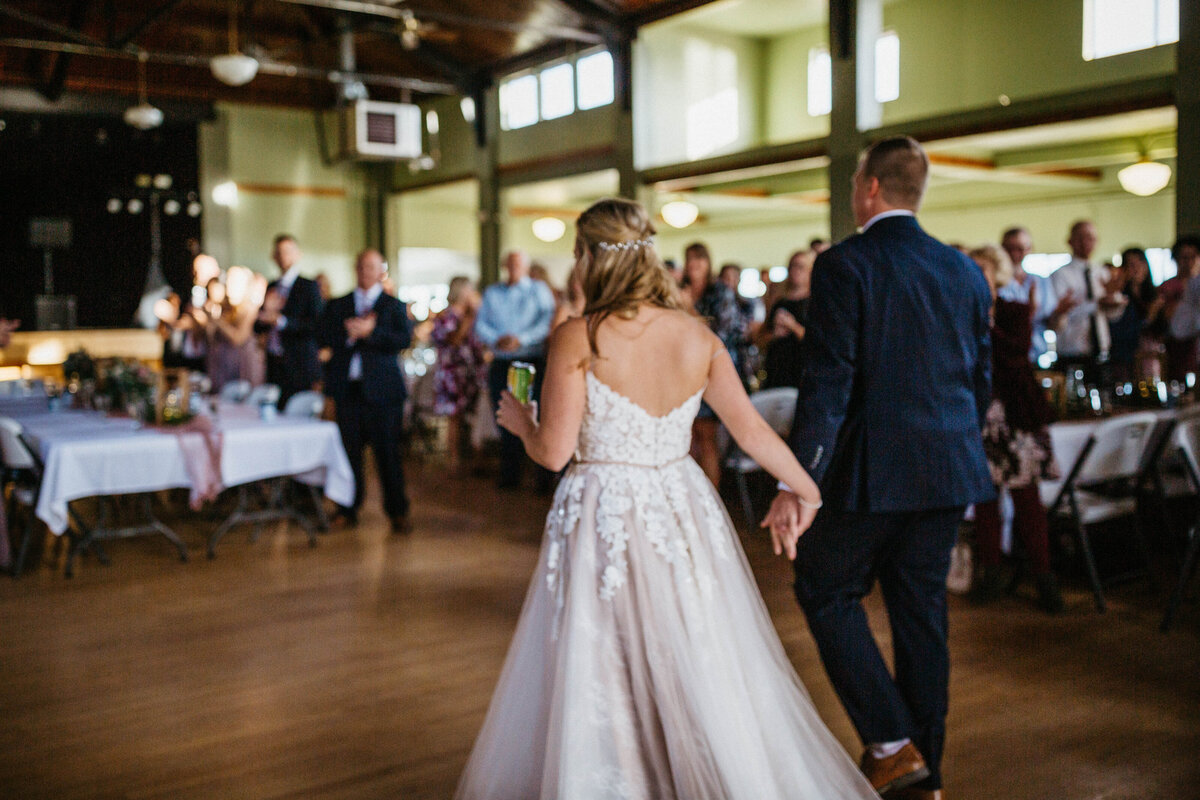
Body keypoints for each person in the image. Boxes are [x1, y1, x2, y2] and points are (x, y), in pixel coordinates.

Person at [455, 197, 878, 800]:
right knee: (692, 644)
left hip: (604, 507)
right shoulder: (697, 336)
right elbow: (752, 429)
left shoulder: (579, 335)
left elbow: (552, 453)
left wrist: (521, 422)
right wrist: (806, 488)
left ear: (590, 260)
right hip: (678, 505)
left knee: (606, 654)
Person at [764, 137, 994, 800]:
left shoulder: (846, 264)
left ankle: (894, 747)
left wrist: (798, 481)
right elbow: (977, 382)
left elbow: (828, 383)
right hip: (948, 468)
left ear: (868, 188)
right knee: (922, 615)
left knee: (825, 588)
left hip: (873, 473)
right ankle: (928, 773)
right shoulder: (963, 270)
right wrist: (950, 439)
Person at [968, 244, 1063, 614]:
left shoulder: (1014, 310)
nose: (976, 276)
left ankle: (1044, 577)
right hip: (979, 417)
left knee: (1028, 501)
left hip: (1015, 415)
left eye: (983, 270)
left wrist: (986, 323)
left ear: (997, 275)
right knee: (985, 501)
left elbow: (1017, 351)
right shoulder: (959, 316)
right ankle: (991, 572)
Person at [318, 249, 413, 533]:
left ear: (379, 270)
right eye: (361, 266)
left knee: (388, 454)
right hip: (349, 390)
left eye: (371, 267)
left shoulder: (393, 306)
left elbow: (403, 339)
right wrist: (349, 333)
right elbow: (322, 337)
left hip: (383, 392)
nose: (365, 272)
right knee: (349, 454)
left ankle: (398, 511)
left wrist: (371, 333)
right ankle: (347, 508)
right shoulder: (339, 304)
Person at [474, 250, 557, 491]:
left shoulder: (538, 291)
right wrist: (498, 339)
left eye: (518, 264)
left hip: (531, 358)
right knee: (505, 414)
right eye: (510, 263)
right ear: (504, 265)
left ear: (526, 266)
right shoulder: (492, 293)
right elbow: (480, 325)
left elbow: (546, 321)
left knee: (537, 414)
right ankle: (510, 474)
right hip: (502, 361)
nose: (513, 268)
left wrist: (520, 339)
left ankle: (543, 477)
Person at [680, 242, 744, 485]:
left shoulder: (720, 292)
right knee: (686, 437)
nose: (694, 264)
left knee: (706, 436)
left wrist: (688, 309)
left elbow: (720, 336)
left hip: (710, 371)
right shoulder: (680, 289)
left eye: (699, 259)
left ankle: (710, 496)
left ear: (708, 262)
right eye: (690, 258)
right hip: (683, 371)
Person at [1049, 220, 1126, 383]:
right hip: (1073, 351)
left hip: (1101, 351)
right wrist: (1096, 304)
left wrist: (1115, 301)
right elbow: (1062, 315)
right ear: (1070, 241)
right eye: (1081, 238)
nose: (1086, 243)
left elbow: (1113, 315)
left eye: (1090, 238)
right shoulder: (1061, 275)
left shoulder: (1102, 272)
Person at [255, 234, 323, 407]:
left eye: (287, 251)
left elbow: (316, 325)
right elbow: (257, 327)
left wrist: (282, 321)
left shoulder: (308, 286)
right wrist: (265, 313)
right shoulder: (272, 286)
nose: (283, 256)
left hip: (298, 363)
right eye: (279, 252)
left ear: (297, 254)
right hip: (274, 362)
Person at [431, 276, 486, 473]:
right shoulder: (446, 316)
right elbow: (452, 340)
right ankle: (454, 459)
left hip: (472, 373)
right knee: (454, 417)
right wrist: (469, 319)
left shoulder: (475, 315)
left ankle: (473, 459)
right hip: (452, 373)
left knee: (473, 416)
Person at [999, 226, 1062, 365]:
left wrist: (1061, 312)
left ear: (1029, 249)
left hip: (1038, 355)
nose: (1016, 254)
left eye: (1022, 248)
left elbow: (1052, 323)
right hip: (1007, 355)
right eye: (1011, 248)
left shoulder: (1041, 281)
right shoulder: (998, 283)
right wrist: (1030, 310)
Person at [760, 249, 813, 390]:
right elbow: (763, 337)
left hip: (802, 374)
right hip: (777, 373)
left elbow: (818, 342)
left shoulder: (814, 303)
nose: (796, 271)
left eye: (800, 266)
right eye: (792, 266)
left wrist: (793, 326)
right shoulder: (780, 302)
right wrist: (774, 335)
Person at [1163, 235, 1200, 381]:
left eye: (1194, 257)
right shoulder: (1167, 287)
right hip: (1177, 350)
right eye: (1184, 257)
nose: (1189, 262)